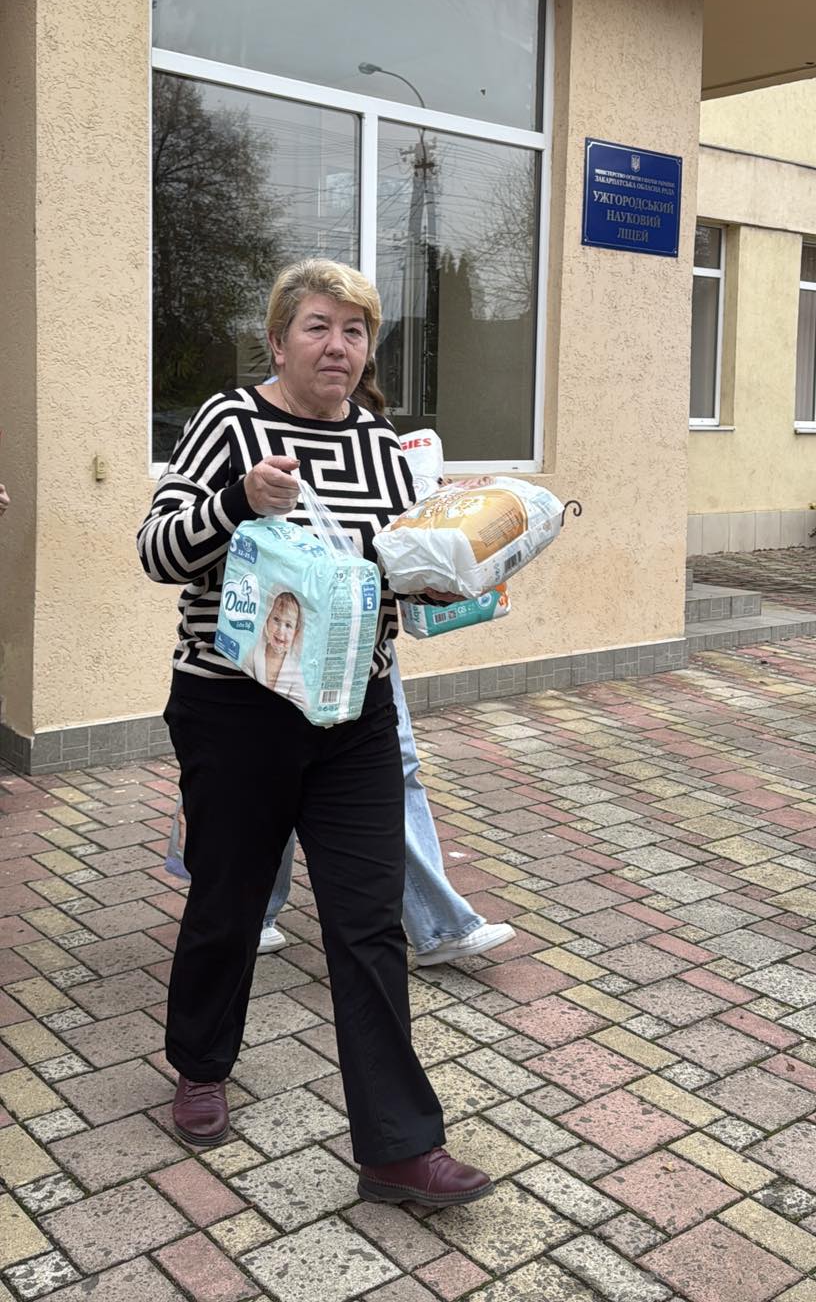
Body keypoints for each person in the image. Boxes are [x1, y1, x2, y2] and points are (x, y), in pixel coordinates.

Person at [138, 258, 491, 1208]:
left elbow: (394, 573)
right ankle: (201, 1063)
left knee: (367, 922)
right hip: (236, 710)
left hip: (355, 713)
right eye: (318, 327)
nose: (338, 346)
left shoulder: (380, 443)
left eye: (355, 330)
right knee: (229, 899)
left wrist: (456, 565)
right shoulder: (229, 423)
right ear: (278, 340)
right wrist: (237, 502)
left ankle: (398, 1148)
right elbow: (156, 551)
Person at [260, 648, 515, 962]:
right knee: (273, 769)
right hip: (265, 647)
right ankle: (253, 910)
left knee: (396, 766)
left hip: (366, 643)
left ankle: (437, 924)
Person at [252, 589, 307, 708]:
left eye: (288, 625)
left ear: (295, 633)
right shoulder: (256, 653)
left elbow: (304, 702)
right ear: (267, 620)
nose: (281, 630)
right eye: (276, 619)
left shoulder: (294, 669)